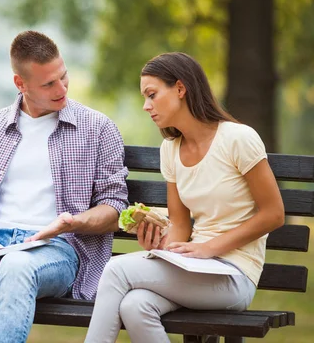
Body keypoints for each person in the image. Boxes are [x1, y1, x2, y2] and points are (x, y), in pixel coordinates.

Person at [0, 31, 129, 343]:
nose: (62, 89)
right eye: (48, 84)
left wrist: (73, 222)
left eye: (63, 77)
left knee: (17, 265)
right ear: (21, 84)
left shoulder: (97, 128)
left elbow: (114, 208)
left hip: (54, 249)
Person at [85, 52, 285, 342]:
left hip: (234, 274)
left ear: (180, 88)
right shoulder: (171, 149)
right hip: (193, 268)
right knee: (135, 305)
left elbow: (274, 214)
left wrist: (210, 248)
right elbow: (180, 224)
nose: (146, 106)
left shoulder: (238, 139)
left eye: (152, 95)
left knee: (117, 269)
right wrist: (160, 245)